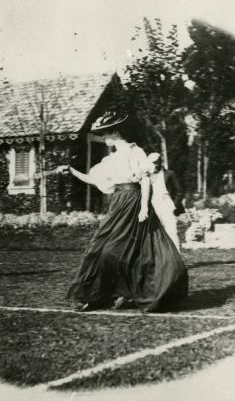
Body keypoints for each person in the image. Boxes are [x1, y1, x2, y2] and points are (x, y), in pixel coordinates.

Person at [64, 112, 188, 312]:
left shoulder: (134, 151)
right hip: (118, 202)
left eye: (105, 134)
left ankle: (128, 293)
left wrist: (145, 208)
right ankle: (99, 295)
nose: (103, 138)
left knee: (132, 249)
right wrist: (72, 171)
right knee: (101, 248)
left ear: (114, 132)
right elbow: (94, 180)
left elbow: (145, 179)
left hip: (134, 201)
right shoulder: (110, 159)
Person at [147, 152, 184, 251]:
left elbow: (180, 191)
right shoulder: (148, 176)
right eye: (152, 163)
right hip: (153, 205)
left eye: (155, 163)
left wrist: (174, 205)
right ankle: (158, 259)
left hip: (167, 204)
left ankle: (177, 259)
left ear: (160, 162)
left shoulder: (170, 174)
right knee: (154, 232)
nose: (154, 165)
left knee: (171, 231)